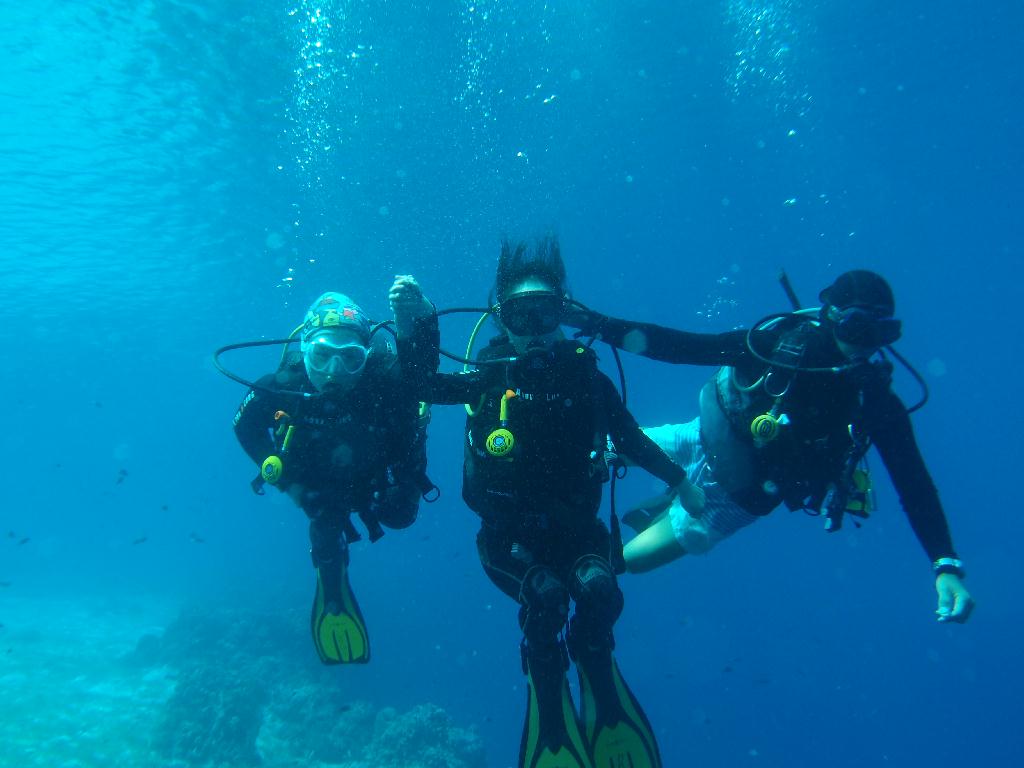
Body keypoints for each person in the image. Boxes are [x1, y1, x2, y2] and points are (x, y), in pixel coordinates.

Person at [391, 238, 701, 768]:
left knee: (599, 590)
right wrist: (415, 323)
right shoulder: (485, 381)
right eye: (519, 314)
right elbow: (417, 382)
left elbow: (629, 438)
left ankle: (591, 652)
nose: (533, 328)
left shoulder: (589, 379)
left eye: (545, 312)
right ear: (500, 319)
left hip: (581, 534)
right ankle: (545, 670)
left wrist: (681, 481)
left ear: (565, 314)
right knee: (547, 595)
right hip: (508, 543)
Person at [568, 269, 974, 624]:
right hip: (698, 438)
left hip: (736, 499)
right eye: (855, 327)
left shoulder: (877, 404)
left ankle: (664, 505)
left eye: (876, 333)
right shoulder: (775, 346)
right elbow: (685, 347)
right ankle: (664, 493)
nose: (863, 344)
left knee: (625, 562)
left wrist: (945, 564)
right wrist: (598, 324)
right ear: (831, 317)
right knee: (584, 450)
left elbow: (914, 483)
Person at [232, 287, 438, 664]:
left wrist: (407, 483)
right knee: (324, 523)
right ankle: (330, 574)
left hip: (375, 478)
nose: (334, 372)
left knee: (400, 516)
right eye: (322, 355)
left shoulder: (385, 383)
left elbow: (414, 420)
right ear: (305, 349)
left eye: (350, 358)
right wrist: (285, 480)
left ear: (367, 356)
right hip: (315, 483)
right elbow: (245, 426)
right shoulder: (283, 385)